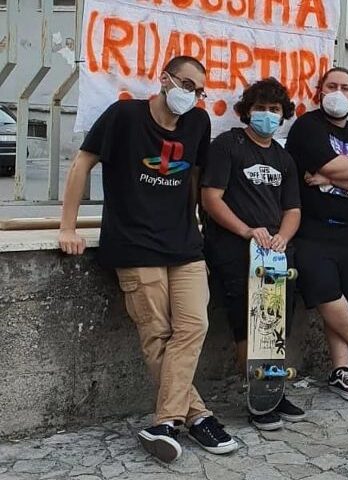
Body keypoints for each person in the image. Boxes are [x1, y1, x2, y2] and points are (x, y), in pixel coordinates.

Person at [58, 56, 238, 462]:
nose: (190, 95)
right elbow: (82, 162)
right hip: (134, 244)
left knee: (194, 325)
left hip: (184, 244)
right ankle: (196, 416)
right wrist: (67, 227)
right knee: (157, 334)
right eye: (186, 84)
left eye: (199, 90)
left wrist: (196, 226)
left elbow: (192, 177)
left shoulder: (198, 124)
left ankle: (165, 422)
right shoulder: (123, 115)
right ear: (165, 79)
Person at [201, 78, 305, 431]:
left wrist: (283, 237)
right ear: (247, 111)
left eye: (274, 110)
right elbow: (211, 197)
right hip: (234, 249)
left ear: (284, 115)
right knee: (248, 327)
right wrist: (246, 230)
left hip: (274, 255)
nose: (266, 115)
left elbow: (292, 210)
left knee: (275, 325)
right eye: (259, 108)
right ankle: (255, 395)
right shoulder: (228, 145)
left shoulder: (284, 158)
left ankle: (273, 390)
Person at [285, 67, 348, 402]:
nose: (338, 92)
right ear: (319, 91)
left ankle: (341, 371)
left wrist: (331, 179)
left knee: (342, 302)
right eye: (332, 86)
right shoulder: (307, 127)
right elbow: (328, 163)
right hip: (312, 229)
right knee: (325, 293)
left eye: (345, 87)